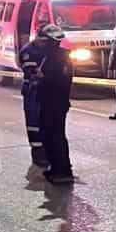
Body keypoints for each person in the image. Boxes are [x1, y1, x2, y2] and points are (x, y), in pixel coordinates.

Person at [34, 24, 75, 184]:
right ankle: (61, 168)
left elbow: (51, 81)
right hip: (60, 103)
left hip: (50, 103)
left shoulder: (52, 59)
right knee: (58, 135)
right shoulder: (63, 56)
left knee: (51, 135)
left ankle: (60, 170)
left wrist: (39, 78)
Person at [18, 33, 50, 167]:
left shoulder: (45, 48)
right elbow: (31, 71)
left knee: (44, 121)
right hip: (32, 89)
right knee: (33, 122)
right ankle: (38, 154)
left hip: (42, 89)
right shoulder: (28, 51)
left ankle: (46, 151)